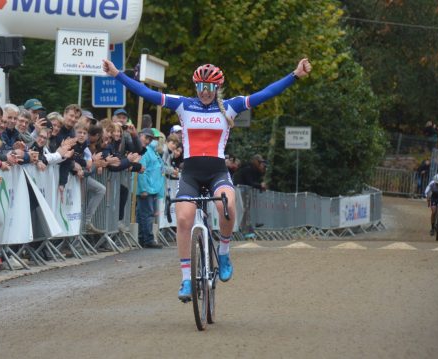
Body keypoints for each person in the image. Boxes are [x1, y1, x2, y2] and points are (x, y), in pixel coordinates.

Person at [103, 56, 312, 301]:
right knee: (183, 219)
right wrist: (118, 74)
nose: (204, 92)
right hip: (191, 172)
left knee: (227, 203)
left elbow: (264, 94)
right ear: (196, 87)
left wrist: (294, 75)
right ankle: (186, 280)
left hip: (216, 172)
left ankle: (223, 252)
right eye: (201, 87)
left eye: (210, 87)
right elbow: (146, 93)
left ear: (217, 88)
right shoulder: (183, 105)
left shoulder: (230, 107)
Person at [136, 128, 164, 248]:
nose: (149, 141)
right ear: (140, 136)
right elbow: (141, 171)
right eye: (147, 138)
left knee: (146, 214)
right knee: (146, 214)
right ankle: (147, 239)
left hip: (152, 188)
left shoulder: (152, 151)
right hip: (147, 188)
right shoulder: (145, 151)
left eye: (151, 139)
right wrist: (143, 189)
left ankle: (144, 238)